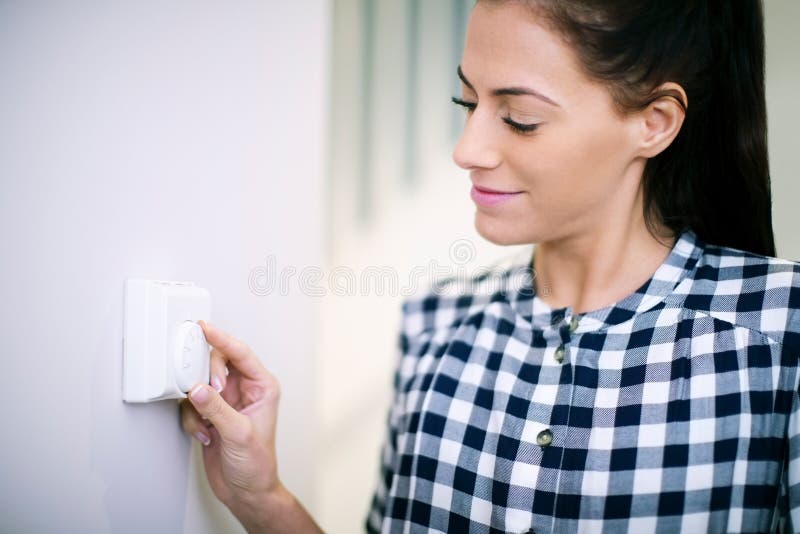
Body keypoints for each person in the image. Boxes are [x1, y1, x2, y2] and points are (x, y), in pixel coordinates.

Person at [180, 0, 800, 532]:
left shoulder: (780, 336)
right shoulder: (435, 326)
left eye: (519, 119)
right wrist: (261, 497)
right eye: (467, 101)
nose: (466, 149)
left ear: (654, 123)